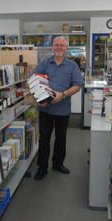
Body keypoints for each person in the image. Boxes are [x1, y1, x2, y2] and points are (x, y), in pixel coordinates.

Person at [33, 36, 83, 180]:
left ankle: (57, 163)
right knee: (44, 139)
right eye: (56, 45)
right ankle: (42, 167)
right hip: (45, 109)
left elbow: (77, 85)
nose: (59, 47)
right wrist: (39, 97)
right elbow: (34, 79)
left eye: (62, 45)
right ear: (52, 47)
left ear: (66, 48)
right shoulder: (45, 63)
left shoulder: (72, 65)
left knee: (61, 139)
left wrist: (63, 94)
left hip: (63, 109)